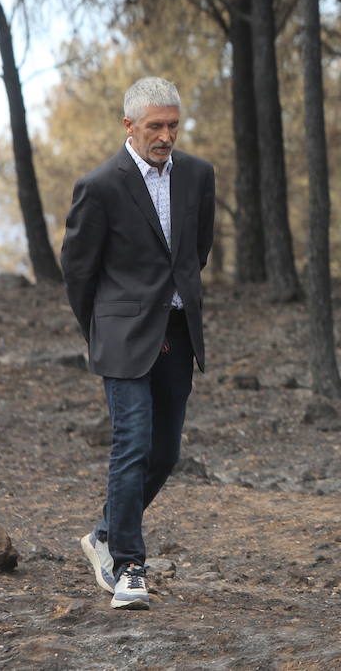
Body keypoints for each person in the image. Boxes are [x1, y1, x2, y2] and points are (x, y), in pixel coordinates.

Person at [62, 76, 215, 610]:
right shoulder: (101, 184)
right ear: (129, 126)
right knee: (131, 444)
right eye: (155, 126)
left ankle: (104, 532)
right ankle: (128, 568)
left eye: (173, 125)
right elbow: (78, 271)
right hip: (122, 335)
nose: (166, 135)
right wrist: (101, 327)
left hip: (177, 331)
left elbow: (198, 251)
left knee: (165, 452)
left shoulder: (197, 175)